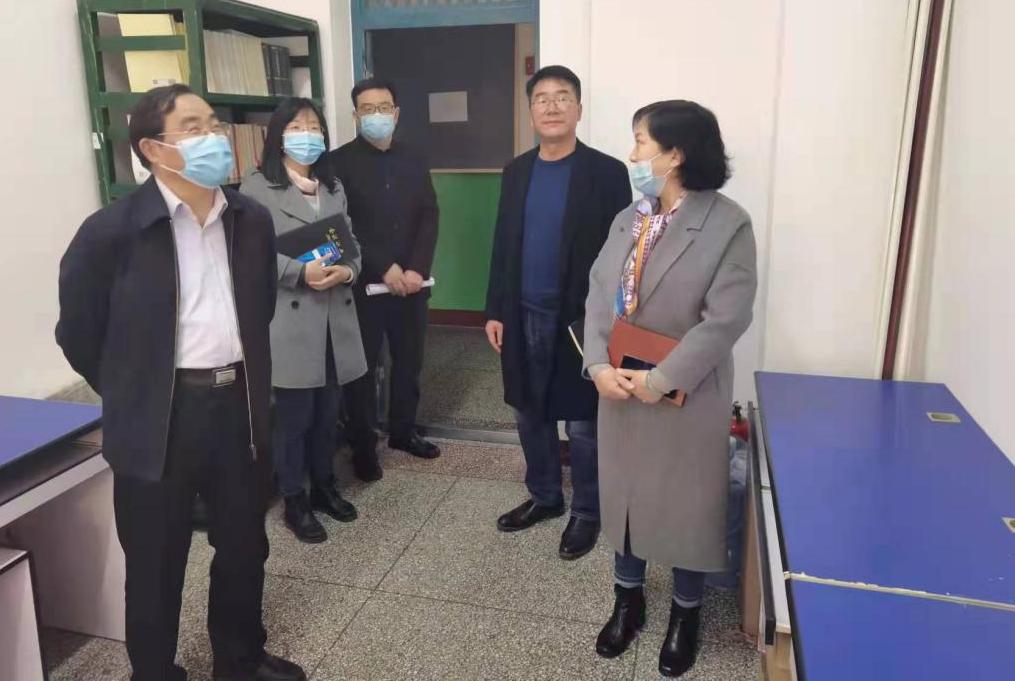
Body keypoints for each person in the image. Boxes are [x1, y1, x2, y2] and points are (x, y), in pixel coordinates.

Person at [55, 85, 305, 681]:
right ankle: (154, 670)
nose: (214, 136)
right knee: (155, 560)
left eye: (214, 124)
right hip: (158, 420)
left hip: (238, 407)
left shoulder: (250, 220)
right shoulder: (111, 232)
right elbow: (79, 333)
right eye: (194, 127)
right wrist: (133, 392)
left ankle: (239, 659)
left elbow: (259, 311)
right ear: (153, 148)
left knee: (244, 545)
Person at [583, 100, 757, 677]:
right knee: (626, 496)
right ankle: (627, 599)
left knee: (687, 505)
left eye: (640, 142)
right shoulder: (629, 217)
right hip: (620, 386)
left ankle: (686, 613)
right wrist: (596, 365)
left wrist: (662, 380)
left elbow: (726, 319)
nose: (632, 153)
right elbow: (599, 293)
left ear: (675, 154)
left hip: (685, 392)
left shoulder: (728, 224)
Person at [484, 65, 632, 560]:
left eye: (562, 97)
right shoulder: (516, 171)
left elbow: (622, 253)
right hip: (522, 311)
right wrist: (495, 309)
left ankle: (587, 510)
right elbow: (503, 245)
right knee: (529, 410)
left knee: (585, 422)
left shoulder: (607, 173)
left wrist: (615, 322)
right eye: (541, 98)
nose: (551, 106)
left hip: (581, 319)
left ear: (579, 109)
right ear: (531, 111)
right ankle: (545, 495)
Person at [240, 98, 365, 544]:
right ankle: (294, 499)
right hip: (291, 319)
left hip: (335, 318)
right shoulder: (257, 189)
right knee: (294, 419)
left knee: (328, 413)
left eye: (314, 127)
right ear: (278, 136)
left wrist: (348, 271)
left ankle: (324, 485)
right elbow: (248, 253)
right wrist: (299, 272)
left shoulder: (332, 187)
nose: (307, 135)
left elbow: (351, 245)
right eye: (296, 127)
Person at [329, 77, 441, 481]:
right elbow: (340, 225)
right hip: (363, 286)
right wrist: (383, 266)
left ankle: (403, 431)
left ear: (396, 113)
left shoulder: (414, 157)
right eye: (367, 109)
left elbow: (429, 214)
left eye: (383, 108)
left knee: (409, 362)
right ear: (355, 115)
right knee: (361, 369)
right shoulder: (336, 163)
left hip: (412, 284)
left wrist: (416, 268)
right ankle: (363, 447)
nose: (376, 115)